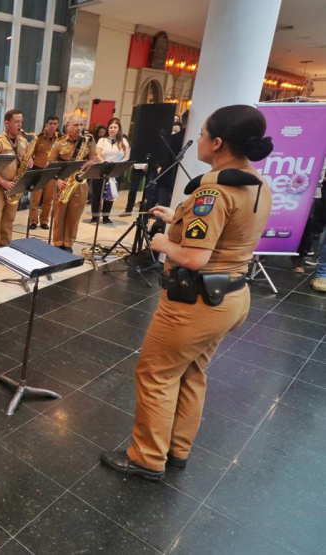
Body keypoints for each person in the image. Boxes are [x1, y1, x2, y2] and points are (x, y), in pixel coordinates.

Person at [100, 104, 273, 481]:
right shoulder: (256, 183)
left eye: (203, 131)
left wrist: (163, 241)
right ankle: (177, 449)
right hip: (230, 297)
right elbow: (230, 233)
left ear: (218, 142)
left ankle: (147, 457)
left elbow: (195, 257)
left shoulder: (214, 190)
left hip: (194, 302)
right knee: (192, 371)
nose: (196, 139)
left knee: (155, 373)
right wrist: (177, 217)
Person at [49, 114, 101, 252]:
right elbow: (50, 163)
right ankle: (57, 242)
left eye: (81, 125)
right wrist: (57, 179)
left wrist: (85, 165)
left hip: (80, 182)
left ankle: (68, 243)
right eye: (76, 125)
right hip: (63, 181)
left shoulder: (88, 141)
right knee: (59, 214)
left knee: (74, 215)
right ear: (68, 126)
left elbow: (93, 159)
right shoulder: (59, 142)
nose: (79, 128)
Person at [0, 109, 31, 249]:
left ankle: (5, 244)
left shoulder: (23, 142)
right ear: (7, 123)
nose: (20, 125)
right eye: (16, 122)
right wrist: (3, 182)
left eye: (21, 122)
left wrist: (29, 163)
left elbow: (25, 161)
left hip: (15, 185)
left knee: (9, 218)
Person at [91, 117, 129, 225]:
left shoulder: (123, 141)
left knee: (110, 194)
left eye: (115, 127)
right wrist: (104, 162)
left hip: (115, 170)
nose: (112, 129)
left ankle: (106, 217)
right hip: (101, 169)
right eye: (110, 127)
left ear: (119, 128)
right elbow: (97, 154)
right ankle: (95, 217)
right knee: (97, 194)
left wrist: (120, 164)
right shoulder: (102, 140)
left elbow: (127, 155)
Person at [28, 116, 60, 230]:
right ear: (46, 125)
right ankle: (33, 220)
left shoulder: (60, 139)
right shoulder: (39, 138)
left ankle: (44, 221)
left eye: (55, 123)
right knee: (35, 199)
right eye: (50, 123)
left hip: (51, 172)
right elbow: (30, 152)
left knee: (48, 199)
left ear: (58, 125)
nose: (52, 126)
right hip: (38, 170)